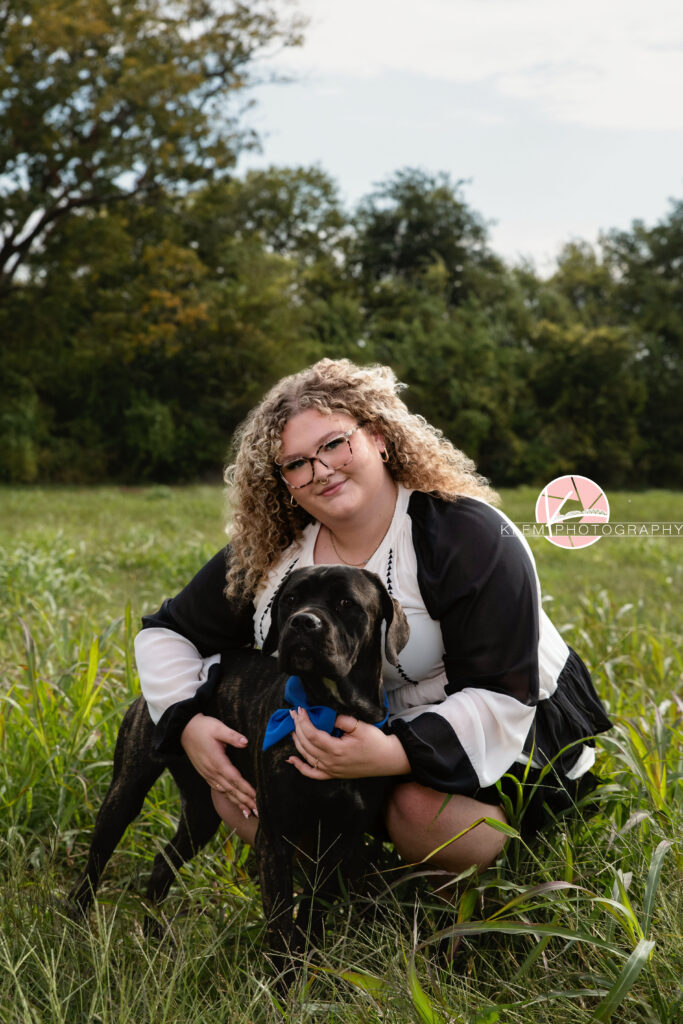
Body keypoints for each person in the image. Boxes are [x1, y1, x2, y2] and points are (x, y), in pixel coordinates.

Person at [135, 359, 612, 874]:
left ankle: (490, 869)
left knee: (417, 810)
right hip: (357, 729)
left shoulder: (464, 534)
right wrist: (186, 724)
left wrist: (391, 755)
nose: (320, 471)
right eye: (296, 464)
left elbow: (503, 693)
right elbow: (169, 631)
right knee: (236, 793)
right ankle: (357, 883)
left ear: (380, 437)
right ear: (283, 482)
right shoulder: (271, 549)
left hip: (498, 724)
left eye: (335, 444)